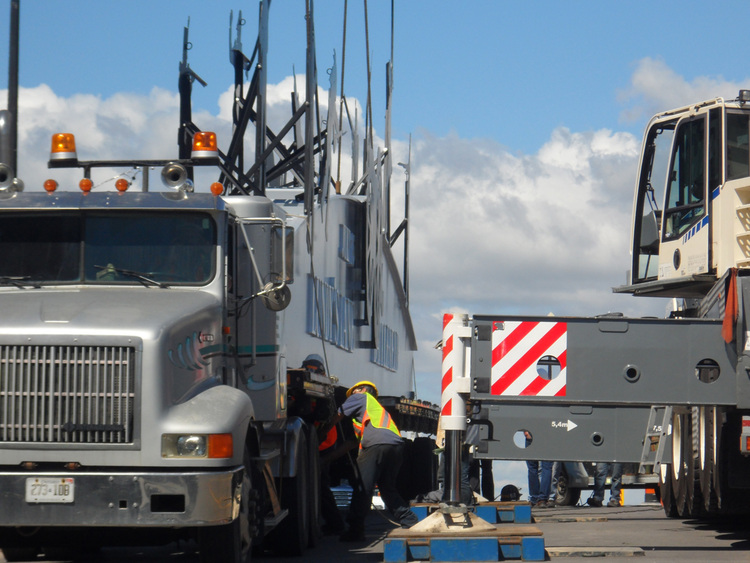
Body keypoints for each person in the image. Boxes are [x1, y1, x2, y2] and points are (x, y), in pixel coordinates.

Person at [331, 380, 418, 542]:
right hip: (396, 447)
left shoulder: (361, 397)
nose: (351, 395)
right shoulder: (374, 412)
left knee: (362, 488)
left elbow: (338, 415)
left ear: (363, 389)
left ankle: (355, 530)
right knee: (387, 488)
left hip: (377, 445)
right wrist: (325, 460)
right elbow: (351, 443)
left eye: (354, 391)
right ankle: (410, 520)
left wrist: (321, 432)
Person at [524, 432, 553, 508]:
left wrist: (526, 432)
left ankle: (534, 498)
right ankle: (542, 499)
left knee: (532, 468)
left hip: (532, 433)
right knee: (547, 468)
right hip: (548, 435)